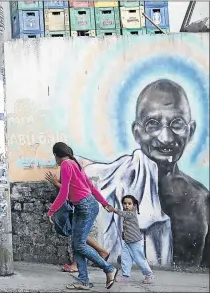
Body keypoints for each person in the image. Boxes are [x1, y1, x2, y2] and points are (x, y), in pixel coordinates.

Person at [84, 79, 209, 267]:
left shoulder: (202, 200)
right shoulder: (115, 182)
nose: (166, 137)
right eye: (153, 124)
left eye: (177, 123)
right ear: (137, 132)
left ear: (190, 131)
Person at [47, 142, 117, 290]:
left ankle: (108, 269)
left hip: (85, 207)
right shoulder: (75, 163)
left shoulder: (66, 165)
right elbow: (90, 187)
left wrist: (52, 210)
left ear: (56, 155)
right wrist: (104, 203)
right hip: (86, 205)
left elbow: (64, 192)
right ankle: (83, 281)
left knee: (79, 244)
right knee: (76, 244)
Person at [113, 195, 154, 284]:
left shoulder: (131, 214)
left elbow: (124, 214)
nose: (126, 205)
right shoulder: (127, 214)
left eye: (129, 203)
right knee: (125, 259)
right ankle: (125, 276)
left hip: (135, 242)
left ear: (134, 205)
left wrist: (114, 210)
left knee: (140, 259)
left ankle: (148, 275)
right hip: (127, 242)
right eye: (124, 203)